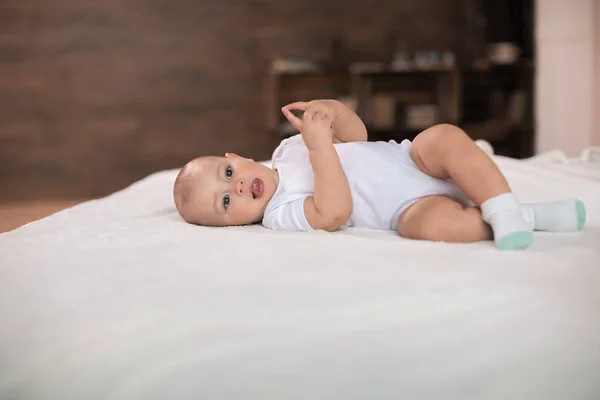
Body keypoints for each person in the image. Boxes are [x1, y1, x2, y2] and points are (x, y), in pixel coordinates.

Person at [173, 99, 586, 250]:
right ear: (230, 224)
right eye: (226, 202)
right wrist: (319, 147)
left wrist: (334, 112)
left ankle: (500, 202)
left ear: (238, 156)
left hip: (412, 161)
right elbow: (335, 211)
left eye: (228, 172)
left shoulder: (287, 148)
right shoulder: (281, 215)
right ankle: (528, 217)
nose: (239, 186)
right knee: (436, 227)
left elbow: (357, 136)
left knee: (441, 136)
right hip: (405, 209)